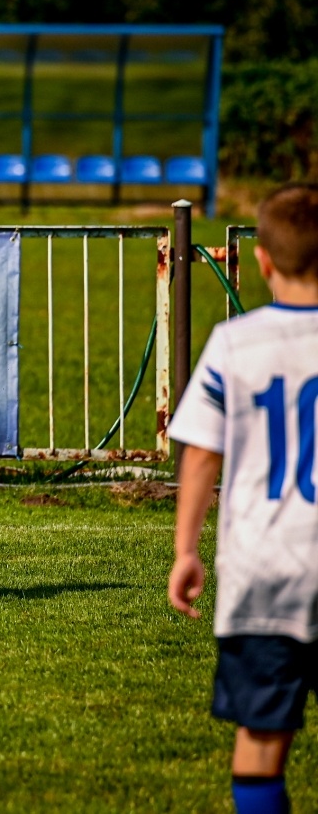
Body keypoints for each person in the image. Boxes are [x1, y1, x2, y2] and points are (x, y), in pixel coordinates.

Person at [169, 183, 318, 814]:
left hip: (263, 569)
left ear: (262, 260)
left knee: (260, 739)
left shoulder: (236, 343)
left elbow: (202, 452)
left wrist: (185, 550)